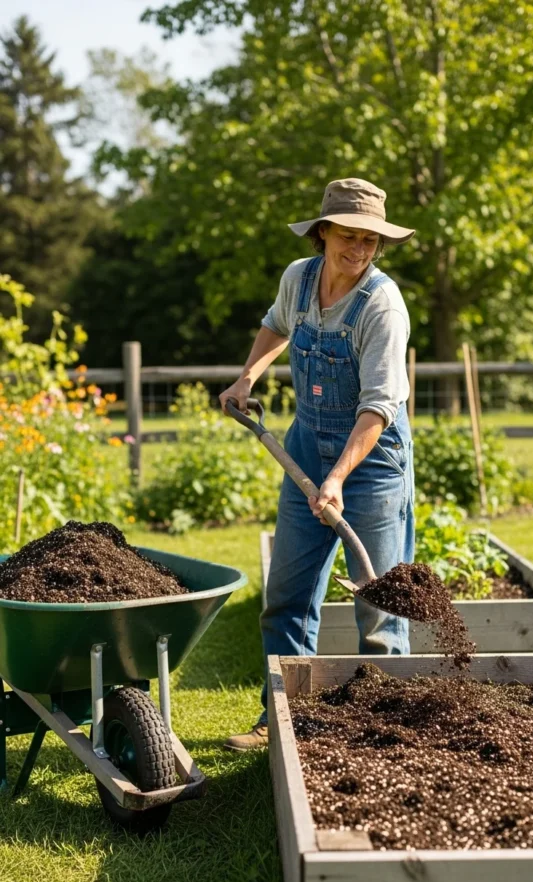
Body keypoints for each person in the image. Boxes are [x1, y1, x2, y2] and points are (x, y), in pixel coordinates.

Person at [220, 177, 415, 750]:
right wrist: (247, 377)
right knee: (287, 596)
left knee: (380, 603)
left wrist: (338, 477)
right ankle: (282, 720)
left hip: (372, 461)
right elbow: (277, 325)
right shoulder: (299, 279)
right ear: (323, 231)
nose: (360, 249)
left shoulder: (382, 304)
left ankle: (385, 734)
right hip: (306, 445)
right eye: (349, 235)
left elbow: (379, 406)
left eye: (370, 240)